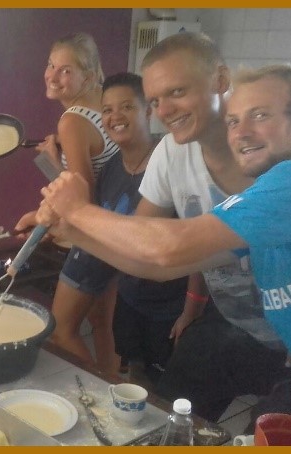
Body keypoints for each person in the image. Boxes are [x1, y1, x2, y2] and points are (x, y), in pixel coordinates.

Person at [35, 63, 291, 425]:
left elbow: (170, 246)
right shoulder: (264, 196)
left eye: (260, 115)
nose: (241, 132)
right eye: (233, 121)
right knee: (178, 404)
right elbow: (160, 265)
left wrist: (77, 209)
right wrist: (74, 232)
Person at [60, 72, 188, 386]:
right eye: (107, 110)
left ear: (148, 110)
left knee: (165, 389)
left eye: (127, 107)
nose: (115, 116)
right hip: (130, 298)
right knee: (135, 377)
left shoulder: (170, 164)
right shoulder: (112, 168)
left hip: (169, 307)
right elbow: (109, 232)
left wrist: (192, 307)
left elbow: (193, 239)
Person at [15, 32, 120, 373]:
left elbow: (80, 199)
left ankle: (99, 393)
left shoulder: (72, 120)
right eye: (51, 65)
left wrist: (50, 162)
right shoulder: (106, 104)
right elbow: (97, 175)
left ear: (87, 76)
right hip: (117, 229)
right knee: (102, 324)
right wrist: (58, 154)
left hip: (92, 238)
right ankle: (117, 390)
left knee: (61, 330)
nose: (53, 75)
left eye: (66, 70)